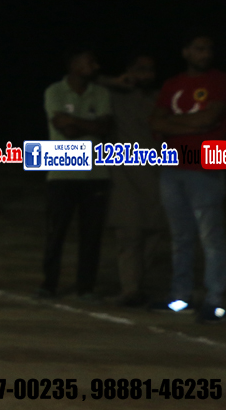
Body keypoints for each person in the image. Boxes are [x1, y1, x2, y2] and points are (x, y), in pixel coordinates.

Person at [149, 33, 226, 324]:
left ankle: (215, 300)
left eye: (209, 49)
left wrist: (172, 124)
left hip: (209, 161)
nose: (205, 54)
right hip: (174, 164)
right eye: (199, 49)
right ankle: (180, 297)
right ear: (186, 52)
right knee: (181, 236)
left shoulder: (219, 80)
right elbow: (154, 121)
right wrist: (191, 127)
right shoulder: (173, 84)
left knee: (211, 236)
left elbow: (208, 119)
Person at [40, 48, 113, 300]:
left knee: (91, 235)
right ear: (73, 64)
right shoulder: (54, 91)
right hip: (61, 171)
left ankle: (86, 287)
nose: (95, 66)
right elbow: (65, 129)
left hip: (96, 173)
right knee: (56, 232)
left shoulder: (101, 93)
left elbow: (104, 128)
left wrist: (73, 121)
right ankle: (48, 284)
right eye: (89, 61)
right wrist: (91, 126)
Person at [100, 54, 168, 307]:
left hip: (157, 174)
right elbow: (86, 80)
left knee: (153, 232)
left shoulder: (160, 98)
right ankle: (130, 289)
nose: (145, 74)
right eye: (140, 69)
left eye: (149, 69)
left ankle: (136, 287)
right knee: (128, 233)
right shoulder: (114, 96)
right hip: (125, 177)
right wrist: (116, 81)